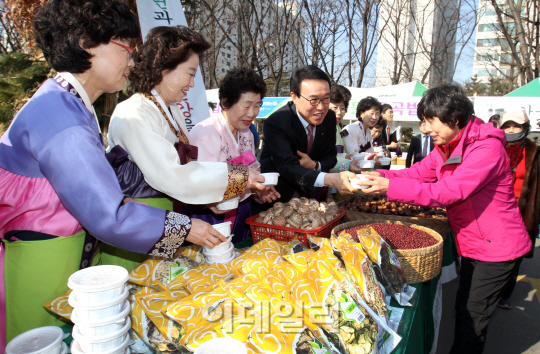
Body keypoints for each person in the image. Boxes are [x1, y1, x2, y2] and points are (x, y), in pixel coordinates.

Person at [0, 0, 245, 348]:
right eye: (127, 48)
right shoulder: (61, 114)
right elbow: (108, 214)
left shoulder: (69, 104)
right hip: (45, 257)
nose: (133, 60)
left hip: (70, 250)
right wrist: (187, 228)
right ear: (87, 44)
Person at [361, 84, 531, 354]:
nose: (426, 129)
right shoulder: (449, 146)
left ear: (454, 118)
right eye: (423, 122)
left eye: (430, 122)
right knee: (465, 308)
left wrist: (388, 189)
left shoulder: (486, 149)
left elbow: (448, 192)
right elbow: (418, 173)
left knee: (472, 318)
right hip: (476, 243)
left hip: (497, 246)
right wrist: (379, 177)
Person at [108, 26, 266, 212]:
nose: (192, 84)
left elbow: (188, 171)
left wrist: (210, 200)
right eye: (190, 74)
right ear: (163, 67)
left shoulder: (173, 111)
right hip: (143, 217)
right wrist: (238, 177)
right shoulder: (134, 113)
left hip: (170, 215)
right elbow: (171, 176)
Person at [190, 68, 279, 243]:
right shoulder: (206, 133)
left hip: (242, 209)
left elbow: (252, 170)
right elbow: (201, 183)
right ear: (225, 102)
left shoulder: (246, 132)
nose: (253, 113)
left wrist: (258, 191)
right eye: (246, 106)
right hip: (213, 214)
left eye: (257, 106)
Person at [259, 65, 357, 205]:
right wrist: (329, 178)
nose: (321, 107)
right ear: (295, 97)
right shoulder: (277, 122)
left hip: (311, 200)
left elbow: (330, 156)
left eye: (326, 99)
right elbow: (287, 166)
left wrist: (315, 165)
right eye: (313, 100)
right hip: (277, 199)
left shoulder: (329, 117)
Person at [497, 110, 540, 309]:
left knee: (515, 255)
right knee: (494, 252)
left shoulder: (534, 152)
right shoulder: (494, 148)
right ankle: (490, 290)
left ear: (525, 128)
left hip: (521, 212)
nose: (511, 130)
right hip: (495, 209)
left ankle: (505, 293)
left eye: (517, 126)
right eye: (507, 126)